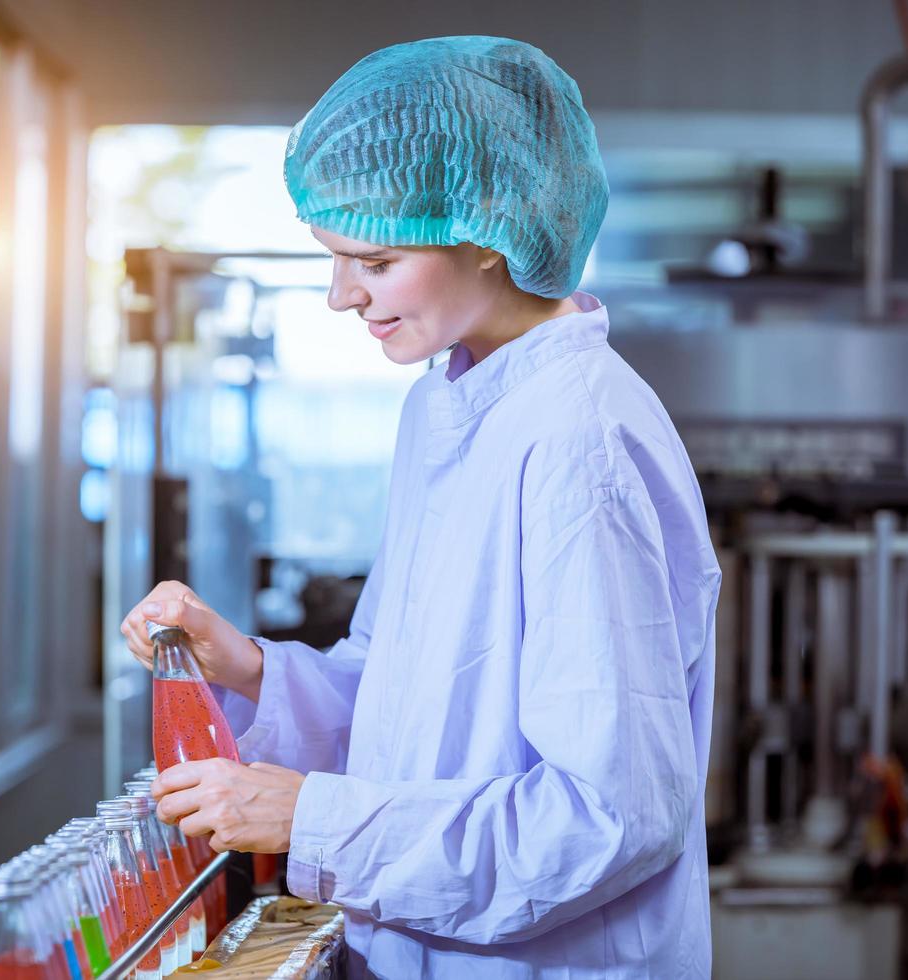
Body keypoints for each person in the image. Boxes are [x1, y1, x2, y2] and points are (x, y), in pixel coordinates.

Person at [123, 35, 720, 978]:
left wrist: (311, 817)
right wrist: (240, 664)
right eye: (333, 259)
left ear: (487, 230)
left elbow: (610, 817)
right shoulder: (447, 402)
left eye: (375, 260)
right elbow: (410, 702)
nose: (337, 296)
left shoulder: (577, 440)